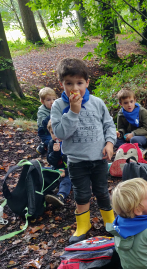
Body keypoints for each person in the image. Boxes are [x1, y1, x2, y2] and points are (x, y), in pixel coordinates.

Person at [50, 58, 116, 244]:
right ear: (61, 84)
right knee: (81, 194)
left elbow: (109, 125)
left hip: (99, 158)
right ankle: (83, 225)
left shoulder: (97, 103)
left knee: (102, 191)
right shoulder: (58, 106)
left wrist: (110, 143)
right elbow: (60, 133)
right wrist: (73, 111)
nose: (75, 88)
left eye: (79, 83)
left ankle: (110, 222)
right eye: (69, 83)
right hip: (76, 160)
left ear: (87, 82)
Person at [44, 120, 71, 207]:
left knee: (66, 181)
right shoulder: (51, 143)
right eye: (52, 133)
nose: (56, 135)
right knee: (41, 170)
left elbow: (77, 163)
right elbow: (50, 161)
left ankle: (60, 196)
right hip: (56, 169)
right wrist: (55, 152)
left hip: (70, 172)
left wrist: (66, 172)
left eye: (58, 132)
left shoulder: (69, 143)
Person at [36, 87, 57, 155]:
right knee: (51, 141)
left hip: (54, 127)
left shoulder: (56, 107)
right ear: (43, 101)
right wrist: (53, 114)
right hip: (45, 131)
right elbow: (44, 123)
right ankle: (44, 146)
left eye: (54, 99)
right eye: (48, 100)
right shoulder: (41, 111)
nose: (52, 102)